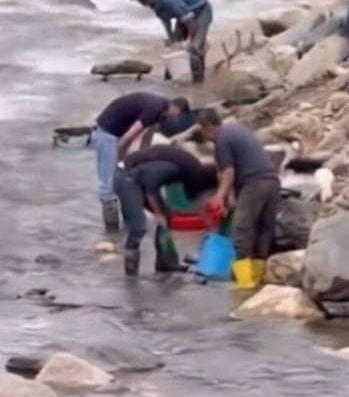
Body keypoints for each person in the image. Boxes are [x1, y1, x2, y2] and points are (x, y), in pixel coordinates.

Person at [196, 108, 281, 288]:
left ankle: (244, 285)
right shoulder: (237, 129)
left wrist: (219, 196)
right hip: (272, 182)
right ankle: (257, 280)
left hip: (254, 184)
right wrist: (231, 198)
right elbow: (239, 165)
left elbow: (228, 171)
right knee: (263, 230)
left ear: (207, 127)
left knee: (242, 231)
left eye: (202, 132)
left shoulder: (221, 140)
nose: (204, 137)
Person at [92, 93, 191, 234]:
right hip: (107, 133)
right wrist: (120, 159)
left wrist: (138, 159)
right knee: (107, 186)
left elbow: (144, 137)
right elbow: (129, 136)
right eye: (178, 116)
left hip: (117, 133)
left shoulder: (161, 111)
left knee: (125, 180)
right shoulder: (154, 109)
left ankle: (127, 228)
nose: (176, 120)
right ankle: (112, 233)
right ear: (174, 108)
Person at [115, 145, 218, 277]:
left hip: (139, 176)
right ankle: (131, 276)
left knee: (167, 217)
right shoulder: (180, 170)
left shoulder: (192, 171)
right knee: (138, 226)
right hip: (126, 176)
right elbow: (151, 185)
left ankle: (165, 263)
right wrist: (158, 215)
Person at [130, 0, 214, 83]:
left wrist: (190, 40)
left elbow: (191, 23)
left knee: (193, 48)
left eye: (141, 2)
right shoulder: (155, 1)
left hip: (201, 10)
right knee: (174, 48)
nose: (142, 5)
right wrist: (171, 38)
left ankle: (198, 83)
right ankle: (169, 81)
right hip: (184, 13)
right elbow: (165, 19)